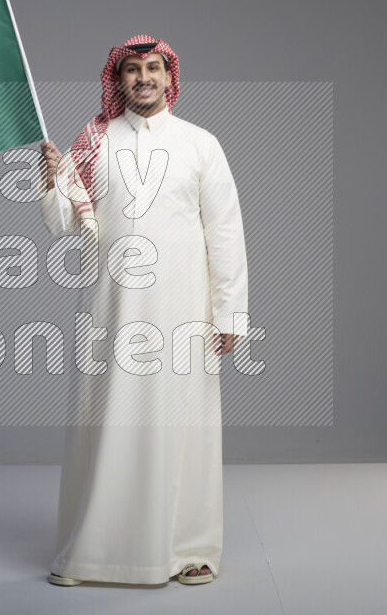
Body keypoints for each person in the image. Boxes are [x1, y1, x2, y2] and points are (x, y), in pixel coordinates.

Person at [38, 34, 248, 586]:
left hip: (184, 312)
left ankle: (188, 548)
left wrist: (230, 313)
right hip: (110, 309)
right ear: (118, 80)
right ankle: (90, 551)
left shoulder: (201, 144)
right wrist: (55, 177)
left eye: (152, 68)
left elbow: (224, 232)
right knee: (104, 422)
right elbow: (65, 223)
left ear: (168, 76)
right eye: (132, 70)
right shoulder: (93, 140)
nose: (143, 78)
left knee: (185, 426)